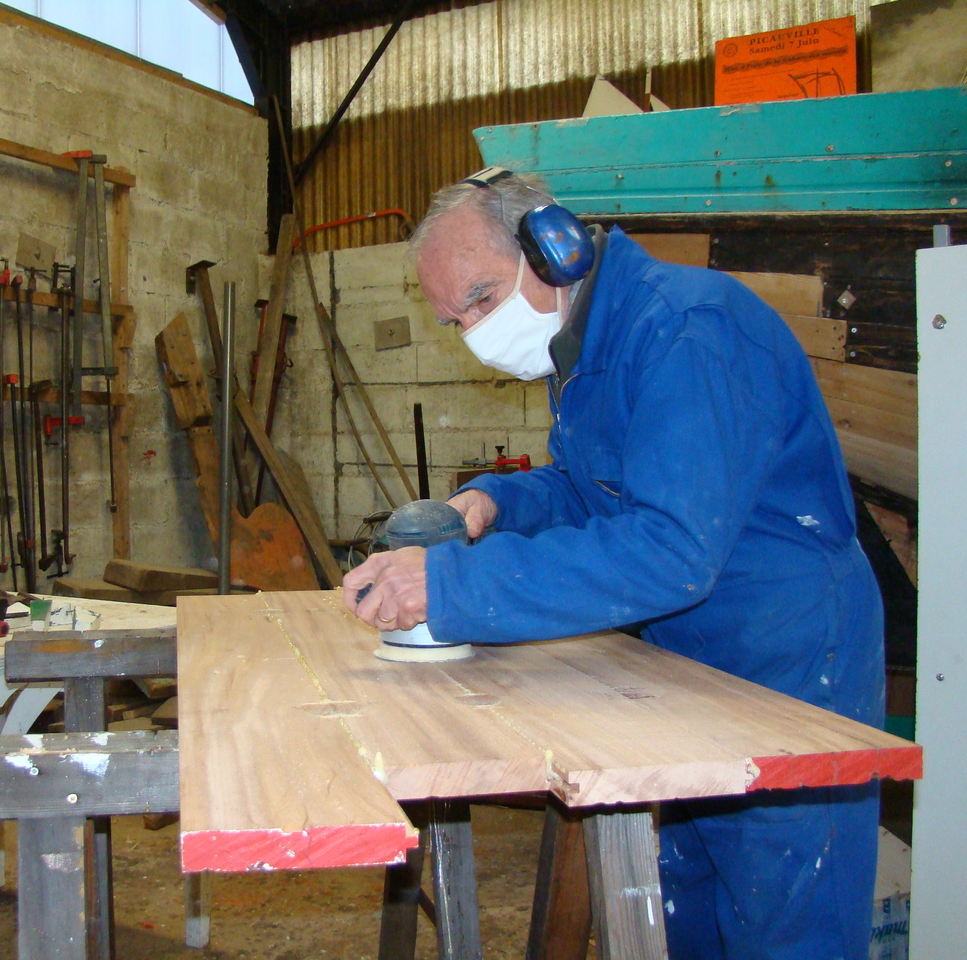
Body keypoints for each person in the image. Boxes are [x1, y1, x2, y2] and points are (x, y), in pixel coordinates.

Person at [342, 168, 885, 960]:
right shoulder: (585, 345)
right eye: (456, 322)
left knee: (783, 924)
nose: (477, 334)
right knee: (694, 911)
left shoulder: (687, 330)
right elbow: (593, 490)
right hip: (689, 663)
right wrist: (494, 501)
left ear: (553, 247)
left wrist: (449, 585)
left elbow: (670, 547)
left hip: (789, 660)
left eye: (482, 300)